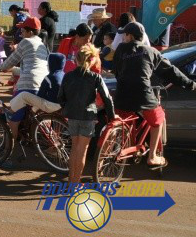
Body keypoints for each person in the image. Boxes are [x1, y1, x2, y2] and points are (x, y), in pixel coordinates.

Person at [112, 22, 196, 167]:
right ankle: (152, 156)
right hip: (143, 94)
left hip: (121, 94)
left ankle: (112, 148)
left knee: (122, 120)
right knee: (158, 119)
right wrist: (190, 84)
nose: (123, 37)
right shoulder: (151, 52)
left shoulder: (120, 49)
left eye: (125, 35)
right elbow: (171, 71)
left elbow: (118, 71)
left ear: (129, 36)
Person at [59, 44, 116, 183]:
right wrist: (112, 117)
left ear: (76, 60)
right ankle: (75, 183)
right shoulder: (95, 77)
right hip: (88, 117)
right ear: (91, 61)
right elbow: (107, 99)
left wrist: (67, 107)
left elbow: (60, 98)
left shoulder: (68, 76)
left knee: (74, 149)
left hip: (72, 115)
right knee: (82, 150)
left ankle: (71, 180)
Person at [0, 16, 50, 144]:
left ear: (30, 32)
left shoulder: (26, 42)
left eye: (22, 31)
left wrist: (1, 68)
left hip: (28, 84)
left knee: (13, 116)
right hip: (42, 84)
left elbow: (12, 59)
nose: (21, 33)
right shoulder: (42, 45)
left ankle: (10, 146)